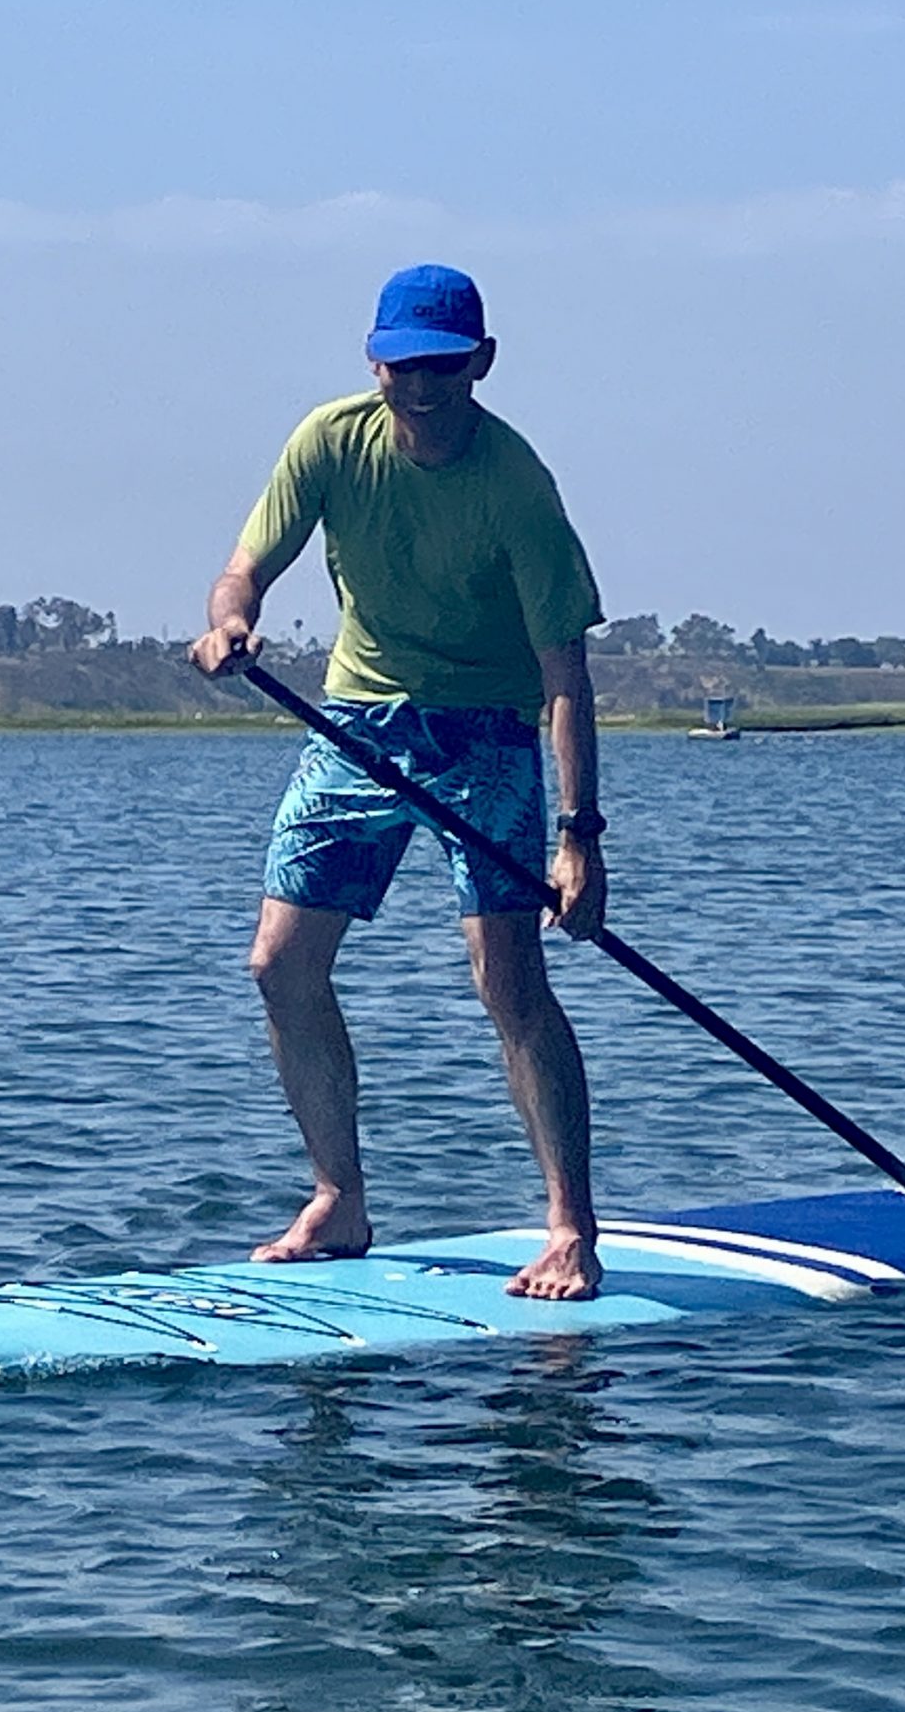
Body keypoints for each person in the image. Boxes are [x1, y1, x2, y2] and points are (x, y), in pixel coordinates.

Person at [191, 263, 610, 1302]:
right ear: (374, 362)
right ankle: (339, 1198)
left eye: (441, 367)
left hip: (487, 729)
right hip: (359, 725)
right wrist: (229, 618)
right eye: (401, 367)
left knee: (507, 981)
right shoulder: (329, 440)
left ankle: (569, 1230)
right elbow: (244, 566)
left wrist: (579, 836)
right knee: (278, 967)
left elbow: (565, 669)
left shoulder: (516, 486)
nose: (420, 388)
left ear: (481, 362)